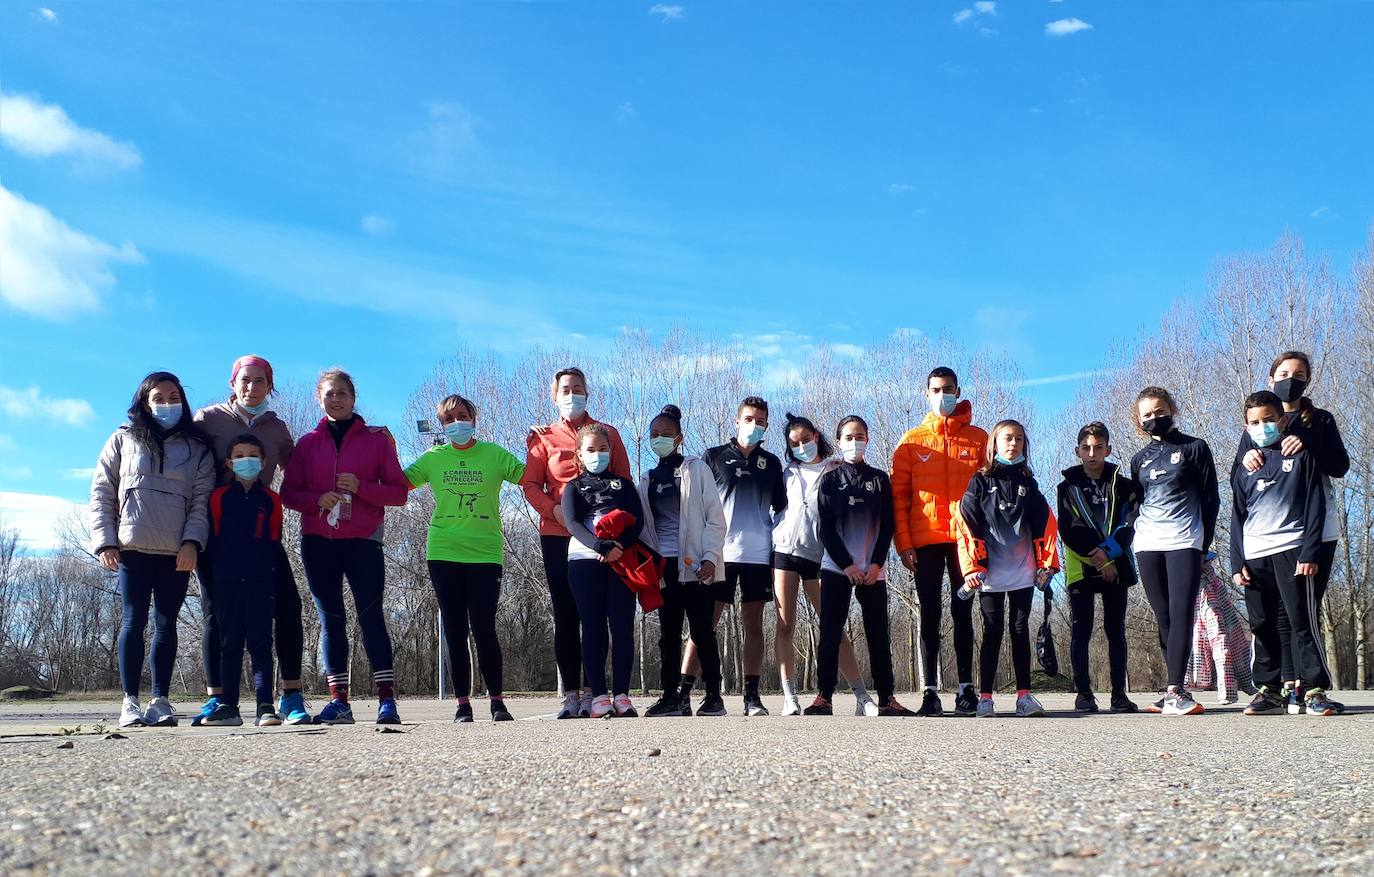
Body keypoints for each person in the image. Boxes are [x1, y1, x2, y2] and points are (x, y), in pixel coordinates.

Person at [281, 368, 409, 725]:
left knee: (371, 617)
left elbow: (399, 493)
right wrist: (317, 500)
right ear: (318, 399)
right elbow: (288, 493)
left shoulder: (376, 440)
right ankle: (339, 701)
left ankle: (387, 700)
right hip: (318, 541)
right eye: (328, 394)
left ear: (353, 398)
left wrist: (363, 486)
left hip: (364, 540)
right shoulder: (307, 443)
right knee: (330, 621)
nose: (335, 399)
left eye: (342, 393)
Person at [90, 371, 216, 728]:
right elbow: (102, 491)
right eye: (158, 398)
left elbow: (201, 502)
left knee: (166, 624)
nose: (166, 404)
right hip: (131, 548)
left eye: (173, 396)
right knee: (133, 621)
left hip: (176, 552)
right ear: (144, 402)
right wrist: (105, 541)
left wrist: (192, 542)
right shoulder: (122, 439)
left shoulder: (198, 448)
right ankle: (129, 701)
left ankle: (160, 700)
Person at [192, 354, 308, 726]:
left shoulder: (277, 429)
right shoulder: (207, 420)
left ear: (270, 386)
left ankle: (289, 695)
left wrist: (373, 440)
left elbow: (304, 467)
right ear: (232, 382)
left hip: (261, 532)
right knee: (216, 614)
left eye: (260, 381)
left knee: (288, 605)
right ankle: (219, 699)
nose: (251, 387)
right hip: (218, 531)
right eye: (245, 380)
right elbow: (180, 455)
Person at [1234, 351, 1349, 713]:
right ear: (1271, 378)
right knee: (1271, 618)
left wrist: (1308, 443)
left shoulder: (1320, 421)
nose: (1291, 379)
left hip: (1308, 534)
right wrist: (1246, 458)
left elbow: (1339, 467)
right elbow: (1239, 495)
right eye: (1284, 373)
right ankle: (1281, 686)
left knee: (1302, 611)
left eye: (1299, 375)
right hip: (1259, 544)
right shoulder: (1253, 431)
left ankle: (1312, 687)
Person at [405, 394, 524, 723]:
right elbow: (398, 483)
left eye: (463, 415)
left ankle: (498, 702)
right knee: (455, 629)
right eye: (449, 419)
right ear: (442, 425)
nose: (457, 422)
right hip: (443, 551)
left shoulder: (494, 455)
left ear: (473, 418)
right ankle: (462, 705)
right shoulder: (433, 457)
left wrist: (542, 445)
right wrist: (382, 450)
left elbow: (530, 477)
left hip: (486, 552)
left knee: (484, 628)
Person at [521, 367, 632, 719]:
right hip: (558, 536)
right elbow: (530, 486)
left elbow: (625, 481)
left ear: (588, 392)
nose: (572, 395)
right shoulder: (543, 437)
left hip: (604, 542)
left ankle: (594, 691)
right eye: (565, 390)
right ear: (554, 396)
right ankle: (571, 692)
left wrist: (616, 531)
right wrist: (556, 512)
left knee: (600, 617)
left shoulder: (607, 434)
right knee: (567, 615)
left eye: (578, 388)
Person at [681, 396, 787, 717]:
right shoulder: (711, 458)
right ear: (737, 421)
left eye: (761, 421)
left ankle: (751, 698)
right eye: (749, 419)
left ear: (766, 426)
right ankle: (687, 694)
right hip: (717, 556)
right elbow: (695, 508)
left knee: (753, 625)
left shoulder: (772, 464)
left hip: (757, 557)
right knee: (704, 624)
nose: (755, 425)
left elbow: (781, 511)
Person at [891, 366, 987, 716]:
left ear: (958, 391)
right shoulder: (911, 441)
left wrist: (984, 542)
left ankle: (966, 689)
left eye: (948, 389)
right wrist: (904, 543)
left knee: (963, 612)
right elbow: (899, 498)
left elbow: (989, 495)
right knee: (929, 614)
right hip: (925, 539)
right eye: (936, 389)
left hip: (966, 543)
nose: (942, 395)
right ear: (926, 394)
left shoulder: (979, 439)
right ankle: (930, 691)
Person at [805, 416, 914, 716]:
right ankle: (823, 697)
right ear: (839, 442)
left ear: (868, 439)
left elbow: (888, 526)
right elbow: (825, 528)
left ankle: (887, 698)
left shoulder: (880, 479)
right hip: (837, 569)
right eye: (849, 437)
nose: (855, 442)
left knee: (879, 634)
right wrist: (847, 565)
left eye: (860, 436)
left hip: (873, 572)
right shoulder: (829, 480)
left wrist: (876, 563)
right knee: (830, 631)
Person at [771, 413, 879, 717]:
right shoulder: (786, 473)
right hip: (784, 553)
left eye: (806, 439)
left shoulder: (836, 470)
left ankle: (861, 696)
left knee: (833, 627)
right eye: (795, 443)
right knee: (785, 625)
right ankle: (789, 696)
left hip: (820, 557)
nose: (801, 445)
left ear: (817, 436)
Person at [955, 419, 1058, 719]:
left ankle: (1024, 697)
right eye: (1007, 438)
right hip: (990, 574)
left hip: (1023, 571)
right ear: (994, 445)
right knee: (992, 631)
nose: (1013, 444)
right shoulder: (979, 481)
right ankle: (985, 698)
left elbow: (1046, 525)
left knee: (1020, 629)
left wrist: (1046, 566)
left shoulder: (1030, 483)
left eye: (1019, 439)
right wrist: (972, 567)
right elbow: (965, 524)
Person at [1129, 387, 1220, 716]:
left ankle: (1176, 691)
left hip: (1185, 542)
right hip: (1148, 545)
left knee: (1182, 613)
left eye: (1160, 411)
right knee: (1164, 616)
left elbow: (1211, 501)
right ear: (1139, 422)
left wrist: (1203, 546)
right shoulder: (1139, 459)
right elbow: (1136, 503)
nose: (1155, 418)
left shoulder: (1195, 448)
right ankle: (1171, 686)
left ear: (1172, 409)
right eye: (1147, 415)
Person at [637, 405, 728, 718]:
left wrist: (710, 557)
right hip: (663, 569)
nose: (659, 439)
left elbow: (716, 519)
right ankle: (670, 698)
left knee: (702, 631)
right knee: (668, 635)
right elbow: (643, 528)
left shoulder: (695, 469)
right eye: (654, 435)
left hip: (696, 567)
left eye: (665, 434)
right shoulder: (647, 479)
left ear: (679, 438)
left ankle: (714, 696)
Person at [562, 423, 649, 719]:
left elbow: (637, 522)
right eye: (590, 450)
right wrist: (600, 546)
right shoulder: (573, 487)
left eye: (602, 449)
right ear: (579, 454)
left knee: (622, 626)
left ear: (610, 452)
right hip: (585, 560)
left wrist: (619, 546)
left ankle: (622, 694)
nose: (597, 455)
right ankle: (598, 695)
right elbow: (572, 524)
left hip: (621, 561)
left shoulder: (623, 485)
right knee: (593, 626)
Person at [1056, 422, 1143, 713]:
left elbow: (1128, 523)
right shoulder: (1066, 487)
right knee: (1082, 629)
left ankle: (1119, 693)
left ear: (1108, 449)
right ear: (1077, 451)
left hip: (1116, 566)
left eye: (1098, 447)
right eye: (1086, 448)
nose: (1092, 453)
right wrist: (1097, 558)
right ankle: (1084, 694)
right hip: (1082, 567)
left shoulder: (1126, 485)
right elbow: (1068, 528)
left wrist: (1109, 555)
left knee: (1115, 629)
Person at [200, 435, 282, 727]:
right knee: (230, 644)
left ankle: (265, 707)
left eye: (252, 455)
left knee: (261, 644)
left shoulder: (272, 500)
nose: (245, 460)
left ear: (263, 462)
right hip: (227, 583)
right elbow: (213, 541)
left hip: (261, 583)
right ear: (229, 462)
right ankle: (228, 707)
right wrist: (214, 582)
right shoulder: (219, 497)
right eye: (239, 455)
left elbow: (274, 541)